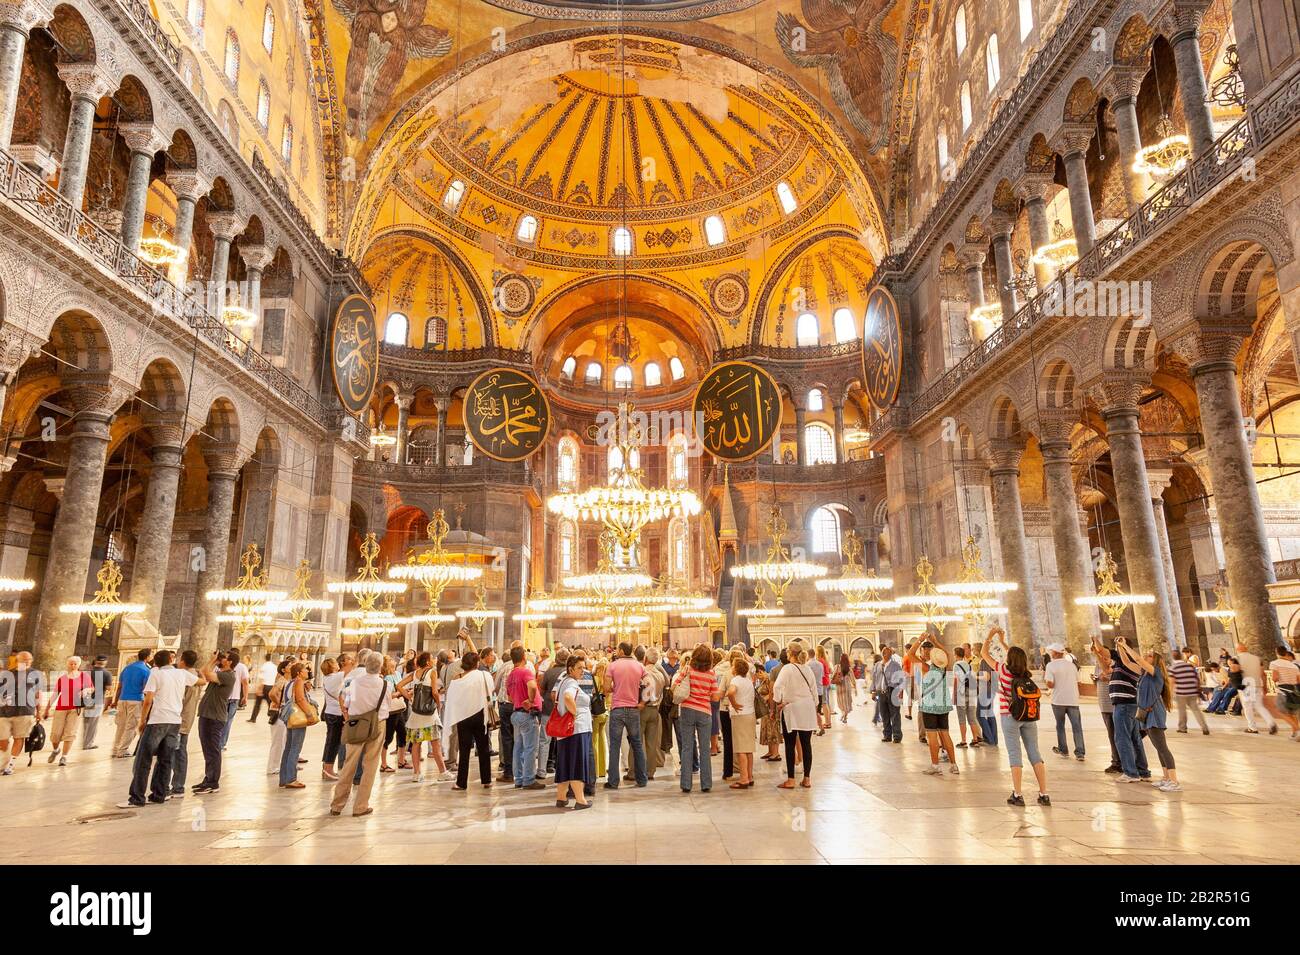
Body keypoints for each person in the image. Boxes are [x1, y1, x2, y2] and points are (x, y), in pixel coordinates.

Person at [118, 650, 201, 808]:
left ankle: (137, 798)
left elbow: (148, 699)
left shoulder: (156, 674)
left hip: (158, 720)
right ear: (170, 660)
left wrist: (143, 720)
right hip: (174, 722)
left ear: (155, 663)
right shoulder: (181, 673)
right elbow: (201, 681)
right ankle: (159, 795)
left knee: (144, 759)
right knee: (165, 759)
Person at [980, 630, 1049, 806]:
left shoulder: (1003, 670)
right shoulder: (1025, 673)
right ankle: (1044, 793)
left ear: (1009, 658)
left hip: (1009, 716)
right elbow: (1016, 655)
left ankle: (1017, 794)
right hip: (1028, 716)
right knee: (1035, 753)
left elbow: (984, 653)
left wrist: (990, 636)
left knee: (1014, 754)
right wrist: (1004, 643)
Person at [330, 652, 391, 816]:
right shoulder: (385, 684)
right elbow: (387, 705)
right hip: (377, 724)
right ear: (380, 667)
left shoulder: (355, 682)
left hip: (356, 723)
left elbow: (347, 702)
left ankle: (337, 805)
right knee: (370, 765)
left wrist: (348, 715)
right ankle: (360, 806)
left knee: (349, 764)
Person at [1121, 643, 1181, 792]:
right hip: (1147, 713)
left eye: (1149, 656)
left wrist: (1125, 645)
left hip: (1154, 713)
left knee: (1162, 748)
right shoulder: (1144, 673)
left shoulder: (1157, 672)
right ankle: (1166, 778)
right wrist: (1120, 647)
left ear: (1155, 660)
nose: (1145, 657)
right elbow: (1127, 663)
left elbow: (1138, 660)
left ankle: (1174, 781)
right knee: (1158, 747)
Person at [441, 651, 495, 791]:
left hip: (463, 717)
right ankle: (487, 780)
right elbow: (492, 689)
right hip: (480, 715)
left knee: (464, 750)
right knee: (483, 748)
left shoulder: (457, 680)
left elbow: (452, 699)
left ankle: (461, 782)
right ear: (476, 663)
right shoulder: (484, 675)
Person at [671, 644, 720, 793]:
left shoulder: (687, 670)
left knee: (687, 747)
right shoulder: (711, 674)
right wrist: (705, 694)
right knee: (704, 748)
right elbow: (715, 697)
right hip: (704, 712)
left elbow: (674, 686)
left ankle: (686, 784)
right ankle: (706, 784)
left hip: (687, 710)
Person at [908, 637, 958, 775]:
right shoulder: (943, 668)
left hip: (929, 707)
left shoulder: (926, 668)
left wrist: (919, 640)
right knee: (945, 734)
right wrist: (935, 641)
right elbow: (946, 654)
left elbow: (910, 654)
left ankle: (935, 766)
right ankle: (954, 765)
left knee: (932, 737)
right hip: (943, 706)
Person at [1106, 635, 1152, 783]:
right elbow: (1124, 660)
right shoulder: (1130, 663)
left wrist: (1123, 646)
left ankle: (1131, 773)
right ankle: (1143, 771)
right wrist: (1121, 646)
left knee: (1122, 738)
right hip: (1130, 704)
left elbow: (1130, 659)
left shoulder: (1138, 666)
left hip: (1124, 704)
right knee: (1135, 738)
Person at [397, 652, 449, 783]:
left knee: (416, 744)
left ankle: (417, 774)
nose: (434, 660)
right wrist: (438, 704)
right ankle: (443, 772)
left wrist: (409, 697)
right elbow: (434, 692)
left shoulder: (414, 673)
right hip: (429, 714)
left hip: (416, 714)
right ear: (427, 661)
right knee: (435, 743)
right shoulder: (432, 671)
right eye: (432, 658)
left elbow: (399, 686)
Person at [603, 641, 647, 790]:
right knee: (637, 744)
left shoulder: (612, 666)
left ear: (621, 651)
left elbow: (606, 688)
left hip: (617, 709)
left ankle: (613, 781)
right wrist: (643, 702)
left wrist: (615, 688)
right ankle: (642, 779)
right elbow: (650, 685)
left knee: (615, 745)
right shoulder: (639, 666)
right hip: (633, 709)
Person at [772, 644, 817, 789]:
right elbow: (814, 690)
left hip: (792, 709)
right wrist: (814, 705)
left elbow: (777, 686)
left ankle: (791, 780)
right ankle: (807, 779)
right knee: (806, 744)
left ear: (790, 653)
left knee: (790, 744)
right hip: (807, 708)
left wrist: (778, 701)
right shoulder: (807, 669)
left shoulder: (787, 668)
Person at [192, 651, 236, 795]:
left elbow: (206, 673)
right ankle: (208, 778)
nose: (221, 659)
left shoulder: (228, 676)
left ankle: (213, 783)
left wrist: (213, 660)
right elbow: (202, 672)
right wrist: (215, 661)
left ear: (230, 662)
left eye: (224, 658)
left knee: (213, 750)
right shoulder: (221, 673)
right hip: (207, 715)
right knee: (207, 749)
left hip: (214, 717)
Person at [553, 654, 593, 810]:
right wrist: (575, 713)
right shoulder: (572, 683)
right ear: (570, 669)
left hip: (566, 731)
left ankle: (561, 798)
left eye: (584, 667)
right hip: (577, 730)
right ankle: (581, 800)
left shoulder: (564, 681)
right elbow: (568, 697)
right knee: (576, 764)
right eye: (579, 668)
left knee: (565, 763)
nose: (583, 671)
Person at [505, 646, 545, 790]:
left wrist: (519, 699)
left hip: (516, 713)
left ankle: (519, 778)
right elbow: (533, 686)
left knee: (518, 748)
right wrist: (530, 700)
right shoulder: (525, 671)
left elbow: (509, 697)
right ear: (523, 657)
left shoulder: (511, 675)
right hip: (527, 715)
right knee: (530, 748)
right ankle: (528, 779)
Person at [43, 656, 90, 766]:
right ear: (67, 664)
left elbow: (91, 688)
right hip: (61, 708)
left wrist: (86, 690)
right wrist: (47, 709)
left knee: (70, 733)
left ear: (78, 665)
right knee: (55, 734)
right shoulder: (62, 679)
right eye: (71, 663)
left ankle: (64, 756)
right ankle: (56, 750)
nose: (73, 666)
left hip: (76, 708)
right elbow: (55, 694)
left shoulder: (84, 676)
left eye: (75, 664)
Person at [0, 651, 41, 775]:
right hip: (5, 712)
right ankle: (5, 760)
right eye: (24, 660)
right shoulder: (7, 674)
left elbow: (38, 694)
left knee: (19, 737)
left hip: (25, 711)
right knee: (3, 739)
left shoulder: (35, 674)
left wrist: (39, 712)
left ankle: (10, 765)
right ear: (17, 661)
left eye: (29, 659)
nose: (27, 662)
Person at [1044, 643, 1084, 761]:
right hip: (1073, 700)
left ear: (1056, 653)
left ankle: (1063, 750)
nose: (1050, 653)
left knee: (1060, 726)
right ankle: (1080, 753)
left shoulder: (1050, 665)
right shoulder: (1072, 665)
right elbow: (1079, 682)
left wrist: (1048, 682)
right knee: (1077, 727)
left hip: (1058, 701)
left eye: (1051, 651)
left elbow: (1050, 684)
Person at [111, 649, 152, 758]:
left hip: (122, 699)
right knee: (131, 726)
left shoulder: (127, 668)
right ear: (147, 657)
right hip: (136, 700)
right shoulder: (146, 670)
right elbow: (145, 689)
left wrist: (115, 701)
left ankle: (115, 749)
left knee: (121, 726)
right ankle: (122, 750)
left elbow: (119, 686)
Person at [277, 662, 311, 789]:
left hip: (290, 717)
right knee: (295, 748)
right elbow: (300, 699)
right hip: (298, 717)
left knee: (288, 747)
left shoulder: (289, 682)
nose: (307, 671)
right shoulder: (299, 681)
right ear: (299, 673)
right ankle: (291, 779)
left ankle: (284, 779)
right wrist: (309, 714)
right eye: (305, 670)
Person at [320, 653, 352, 779]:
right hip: (336, 714)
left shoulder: (327, 678)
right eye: (335, 663)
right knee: (334, 743)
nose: (337, 665)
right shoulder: (335, 677)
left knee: (329, 742)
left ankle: (325, 768)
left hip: (330, 712)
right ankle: (328, 770)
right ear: (332, 667)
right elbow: (350, 668)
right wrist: (350, 661)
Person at [1236, 641, 1278, 734]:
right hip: (1257, 685)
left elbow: (1234, 674)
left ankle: (1252, 727)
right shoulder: (1256, 658)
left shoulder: (1236, 658)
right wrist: (1265, 686)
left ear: (1237, 649)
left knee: (1247, 707)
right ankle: (1271, 723)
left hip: (1245, 686)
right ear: (1246, 648)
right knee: (1259, 706)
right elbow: (1262, 673)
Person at [637, 647, 666, 781]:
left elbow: (644, 690)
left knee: (637, 741)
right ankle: (650, 771)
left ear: (645, 659)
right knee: (652, 743)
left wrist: (641, 702)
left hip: (643, 709)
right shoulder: (660, 674)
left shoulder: (643, 672)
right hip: (655, 710)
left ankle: (634, 771)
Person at [727, 657, 755, 788]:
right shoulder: (748, 680)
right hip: (750, 714)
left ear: (736, 668)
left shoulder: (735, 680)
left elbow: (730, 692)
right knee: (748, 748)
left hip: (740, 716)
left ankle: (743, 779)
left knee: (741, 749)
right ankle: (749, 776)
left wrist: (733, 704)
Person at [1169, 648, 1209, 735]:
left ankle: (1182, 728)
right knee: (1196, 710)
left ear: (1173, 657)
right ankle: (1204, 727)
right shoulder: (1189, 666)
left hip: (1181, 692)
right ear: (1181, 656)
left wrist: (1170, 693)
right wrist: (1198, 690)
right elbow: (1196, 678)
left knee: (1182, 711)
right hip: (1192, 691)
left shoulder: (1173, 668)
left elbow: (1172, 682)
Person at [380, 656, 408, 774]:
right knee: (388, 737)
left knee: (403, 734)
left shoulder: (397, 674)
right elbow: (388, 696)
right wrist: (399, 693)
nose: (394, 663)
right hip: (390, 711)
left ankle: (401, 761)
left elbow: (401, 687)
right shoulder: (385, 678)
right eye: (391, 663)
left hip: (399, 708)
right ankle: (383, 764)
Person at [265, 659, 291, 775]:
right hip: (278, 713)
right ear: (283, 669)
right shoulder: (282, 680)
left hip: (283, 713)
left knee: (283, 740)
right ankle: (272, 767)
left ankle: (279, 765)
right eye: (289, 665)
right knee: (278, 741)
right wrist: (280, 704)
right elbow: (271, 693)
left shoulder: (288, 680)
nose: (291, 666)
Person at [80, 656, 112, 751]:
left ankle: (85, 742)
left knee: (86, 722)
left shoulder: (87, 672)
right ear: (105, 662)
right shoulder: (107, 673)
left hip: (87, 699)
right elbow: (109, 688)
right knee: (93, 723)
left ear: (95, 661)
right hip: (98, 700)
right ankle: (88, 744)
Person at [1267, 646, 1300, 738]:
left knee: (1280, 711)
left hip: (1282, 691)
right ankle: (1295, 734)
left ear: (1277, 653)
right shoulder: (1293, 665)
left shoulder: (1274, 663)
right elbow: (1298, 680)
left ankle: (1297, 729)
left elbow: (1275, 678)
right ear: (1286, 653)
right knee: (1291, 713)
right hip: (1293, 691)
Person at [872, 646, 903, 743]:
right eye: (883, 652)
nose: (885, 654)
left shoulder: (896, 665)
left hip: (893, 691)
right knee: (884, 715)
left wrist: (901, 691)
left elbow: (901, 679)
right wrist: (873, 691)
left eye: (887, 652)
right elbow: (874, 679)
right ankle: (887, 735)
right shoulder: (877, 665)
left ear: (891, 654)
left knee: (895, 714)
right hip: (881, 692)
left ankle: (897, 736)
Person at [950, 646, 980, 746]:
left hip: (961, 693)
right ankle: (975, 739)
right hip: (970, 692)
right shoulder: (968, 664)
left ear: (956, 655)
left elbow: (957, 680)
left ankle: (963, 741)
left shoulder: (956, 665)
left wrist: (954, 695)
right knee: (972, 718)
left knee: (962, 718)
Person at [220, 653, 249, 749]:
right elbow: (245, 683)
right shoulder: (242, 667)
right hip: (234, 697)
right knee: (228, 722)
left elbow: (245, 683)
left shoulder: (222, 666)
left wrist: (245, 696)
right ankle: (221, 744)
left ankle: (218, 743)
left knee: (220, 720)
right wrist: (245, 696)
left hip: (224, 697)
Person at [757, 669, 781, 762]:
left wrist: (763, 699)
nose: (757, 676)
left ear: (761, 671)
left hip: (770, 707)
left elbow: (772, 692)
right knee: (767, 730)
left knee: (773, 729)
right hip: (765, 709)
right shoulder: (763, 680)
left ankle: (776, 753)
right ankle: (770, 751)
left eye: (758, 674)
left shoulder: (768, 679)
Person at [248, 654, 277, 722]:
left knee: (257, 704)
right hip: (271, 687)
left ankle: (253, 718)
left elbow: (262, 678)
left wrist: (259, 689)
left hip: (264, 686)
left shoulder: (264, 666)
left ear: (265, 658)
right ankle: (273, 718)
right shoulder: (274, 666)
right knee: (270, 704)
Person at [833, 653, 855, 723]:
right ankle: (845, 716)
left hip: (839, 687)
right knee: (847, 702)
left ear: (841, 659)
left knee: (841, 702)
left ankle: (843, 714)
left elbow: (833, 676)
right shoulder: (849, 668)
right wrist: (855, 687)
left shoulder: (837, 667)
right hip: (847, 687)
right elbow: (853, 679)